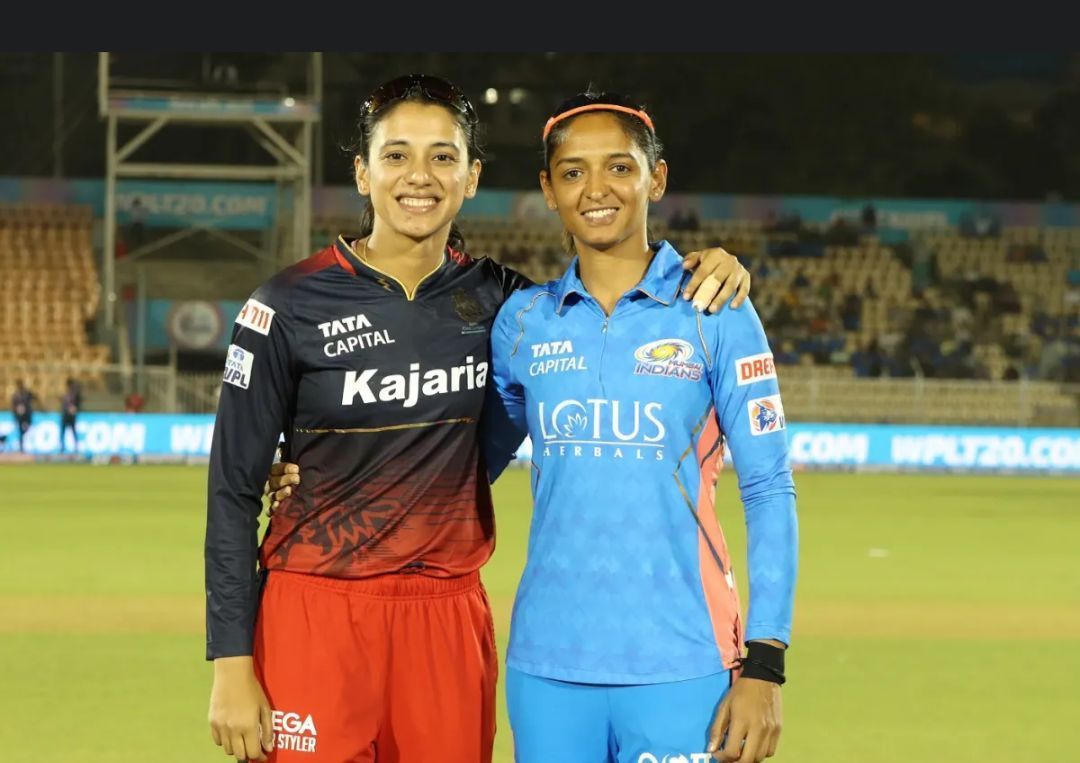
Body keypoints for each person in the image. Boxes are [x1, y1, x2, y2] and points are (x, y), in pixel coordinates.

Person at [208, 74, 754, 763]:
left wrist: (707, 268)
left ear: (471, 178)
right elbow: (231, 490)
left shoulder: (511, 308)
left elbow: (595, 309)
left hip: (445, 613)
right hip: (314, 607)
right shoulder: (285, 304)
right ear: (361, 171)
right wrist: (230, 661)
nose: (419, 176)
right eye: (396, 154)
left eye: (443, 156)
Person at [10, 380, 37, 452]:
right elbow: (13, 405)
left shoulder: (27, 393)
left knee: (28, 427)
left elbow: (34, 397)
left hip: (27, 415)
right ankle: (21, 447)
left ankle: (26, 440)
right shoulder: (15, 395)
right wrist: (17, 409)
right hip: (19, 416)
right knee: (20, 431)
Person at [58, 378, 81, 454]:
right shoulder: (66, 394)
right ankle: (62, 447)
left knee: (73, 431)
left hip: (71, 416)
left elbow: (78, 404)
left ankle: (76, 447)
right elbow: (63, 404)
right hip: (65, 415)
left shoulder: (75, 394)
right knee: (63, 431)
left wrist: (75, 408)